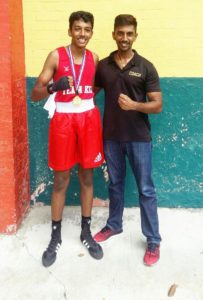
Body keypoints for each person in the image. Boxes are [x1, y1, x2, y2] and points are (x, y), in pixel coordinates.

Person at [31, 11, 104, 267]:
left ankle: (86, 231)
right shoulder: (56, 55)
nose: (82, 33)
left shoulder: (95, 58)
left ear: (91, 32)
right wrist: (53, 86)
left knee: (87, 175)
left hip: (88, 119)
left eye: (87, 29)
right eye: (77, 28)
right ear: (70, 30)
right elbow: (35, 94)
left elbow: (94, 88)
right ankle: (55, 235)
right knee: (61, 178)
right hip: (62, 121)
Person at [93, 14, 162, 266]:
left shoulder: (146, 66)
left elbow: (157, 105)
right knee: (115, 185)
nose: (124, 38)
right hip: (111, 136)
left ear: (135, 35)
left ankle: (153, 240)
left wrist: (134, 105)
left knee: (146, 189)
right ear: (113, 34)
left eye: (129, 33)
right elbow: (91, 92)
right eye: (120, 33)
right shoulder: (104, 66)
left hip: (139, 138)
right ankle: (114, 225)